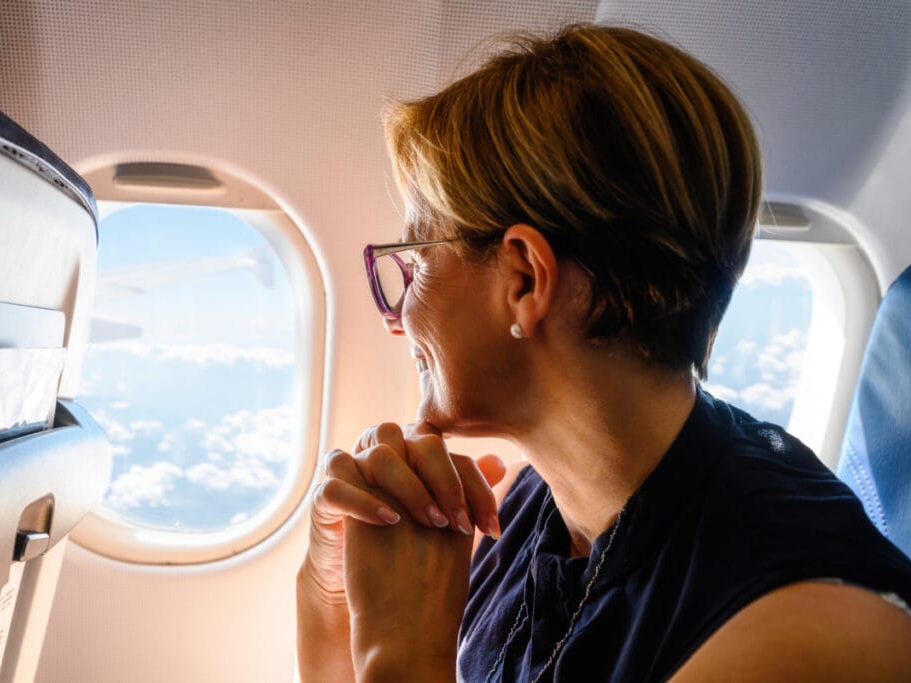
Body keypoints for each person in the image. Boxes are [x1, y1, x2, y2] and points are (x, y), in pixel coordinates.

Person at [296, 24, 911, 682]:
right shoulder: (540, 505)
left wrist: (404, 651)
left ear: (525, 279)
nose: (398, 318)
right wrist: (331, 585)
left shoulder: (811, 637)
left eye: (415, 265)